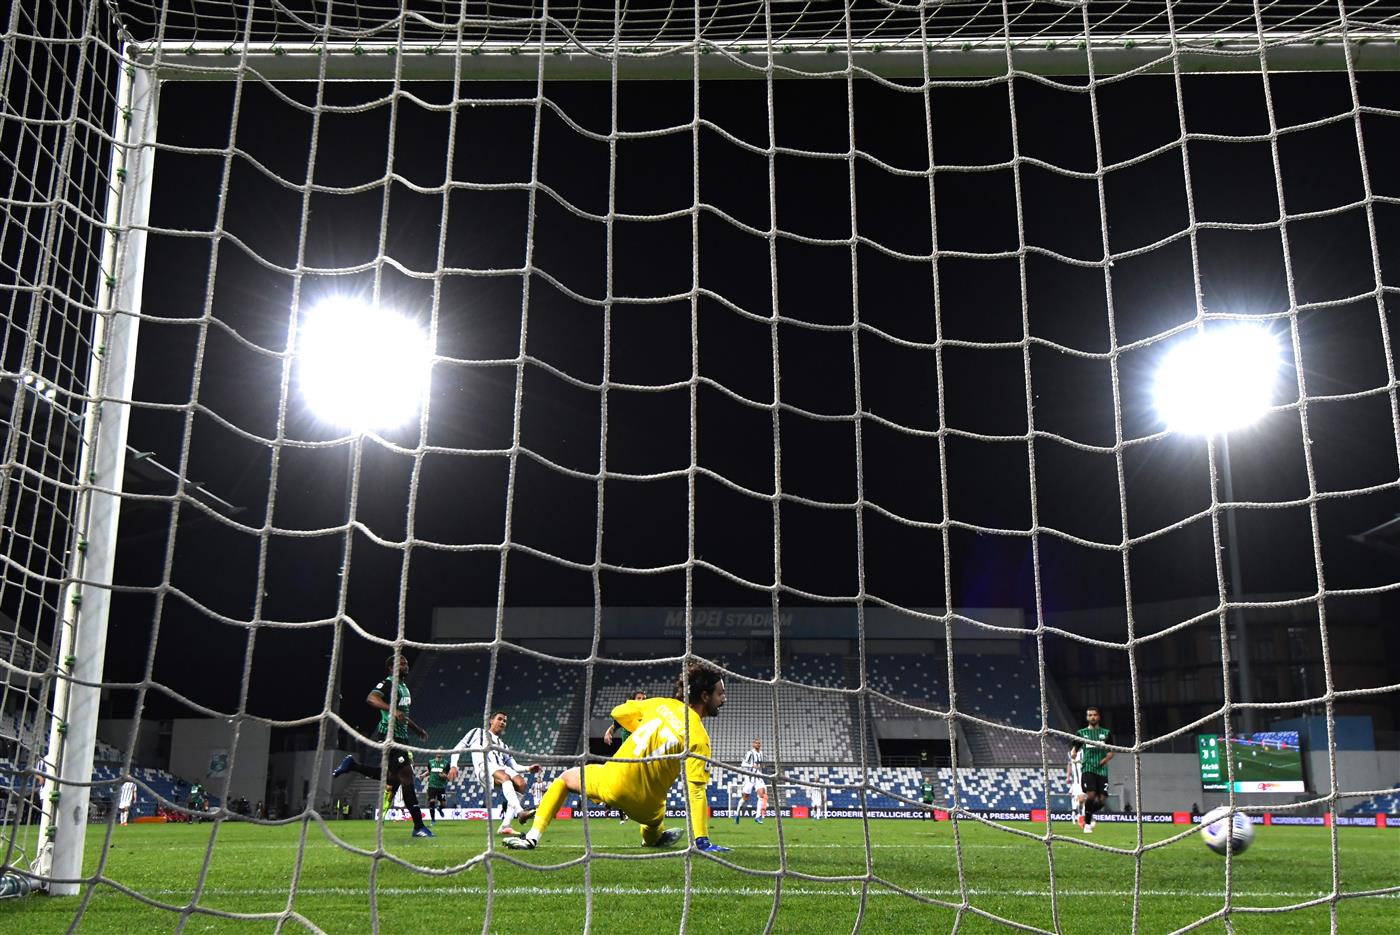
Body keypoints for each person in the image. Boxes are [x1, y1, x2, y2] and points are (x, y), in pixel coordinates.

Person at [505, 662, 730, 853]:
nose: (724, 699)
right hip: (647, 805)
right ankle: (651, 837)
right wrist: (701, 841)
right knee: (655, 820)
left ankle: (532, 837)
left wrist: (639, 727)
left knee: (564, 778)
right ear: (704, 695)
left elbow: (618, 713)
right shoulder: (699, 737)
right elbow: (696, 791)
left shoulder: (661, 704)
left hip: (613, 781)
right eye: (720, 693)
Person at [331, 652, 434, 838]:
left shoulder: (404, 688)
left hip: (401, 737)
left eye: (406, 662)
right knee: (407, 778)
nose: (405, 665)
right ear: (390, 668)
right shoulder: (388, 683)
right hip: (390, 736)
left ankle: (352, 765)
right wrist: (390, 709)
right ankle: (418, 826)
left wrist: (417, 730)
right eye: (401, 663)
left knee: (392, 779)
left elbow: (403, 716)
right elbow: (371, 698)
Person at [448, 710, 541, 837]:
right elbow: (459, 747)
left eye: (505, 721)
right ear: (491, 721)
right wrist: (454, 765)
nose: (502, 722)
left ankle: (505, 826)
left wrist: (528, 769)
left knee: (522, 784)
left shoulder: (503, 745)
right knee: (505, 777)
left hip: (500, 768)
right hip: (484, 768)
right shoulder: (477, 732)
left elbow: (514, 766)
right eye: (500, 719)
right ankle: (520, 812)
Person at [604, 691, 647, 823]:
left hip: (640, 755)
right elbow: (613, 726)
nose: (641, 700)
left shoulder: (646, 715)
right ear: (632, 700)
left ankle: (621, 809)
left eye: (643, 698)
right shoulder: (626, 715)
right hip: (625, 754)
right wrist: (608, 733)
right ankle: (609, 802)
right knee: (618, 780)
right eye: (639, 698)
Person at [1070, 706, 1114, 833]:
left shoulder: (1106, 733)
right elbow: (1075, 749)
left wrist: (1105, 760)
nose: (1092, 717)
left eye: (1094, 715)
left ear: (1098, 716)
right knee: (1091, 794)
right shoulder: (1081, 733)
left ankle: (1085, 812)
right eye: (1090, 715)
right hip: (1088, 768)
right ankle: (1087, 824)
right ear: (1087, 717)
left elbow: (1111, 752)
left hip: (1102, 770)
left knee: (1102, 800)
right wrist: (1073, 754)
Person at [737, 738, 769, 824]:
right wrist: (752, 766)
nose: (758, 744)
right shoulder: (750, 753)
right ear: (753, 745)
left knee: (762, 795)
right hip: (749, 778)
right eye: (756, 743)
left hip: (758, 777)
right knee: (745, 798)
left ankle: (758, 816)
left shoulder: (762, 754)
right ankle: (737, 812)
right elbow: (743, 764)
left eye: (759, 743)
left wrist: (762, 766)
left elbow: (762, 764)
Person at [426, 753, 450, 823]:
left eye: (441, 752)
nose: (439, 753)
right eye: (438, 752)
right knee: (432, 801)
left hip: (441, 787)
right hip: (431, 786)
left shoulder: (446, 763)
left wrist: (444, 776)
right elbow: (430, 771)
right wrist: (424, 775)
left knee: (444, 805)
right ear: (435, 753)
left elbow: (448, 776)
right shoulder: (430, 762)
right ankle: (433, 820)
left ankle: (439, 809)